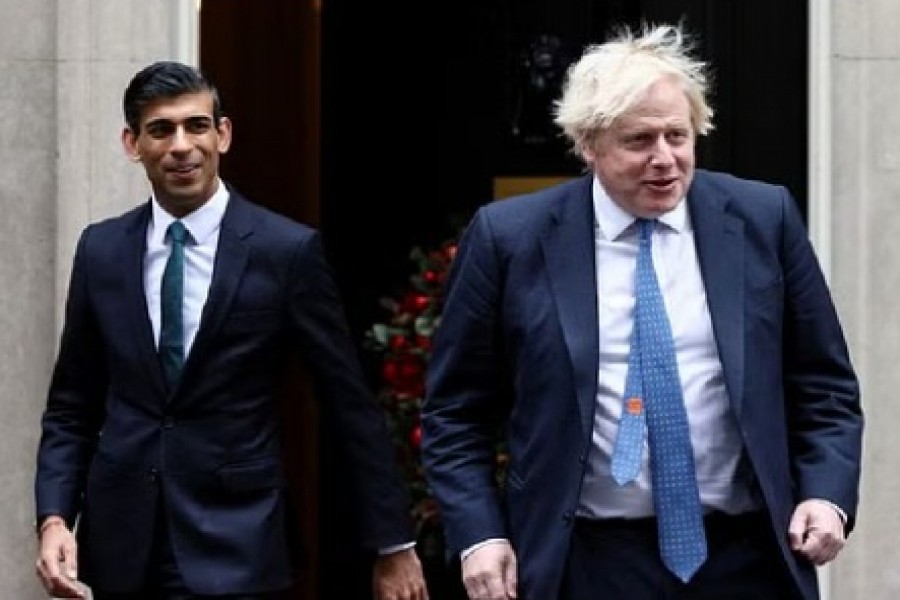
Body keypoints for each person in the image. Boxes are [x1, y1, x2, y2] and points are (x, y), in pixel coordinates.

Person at [421, 23, 862, 600]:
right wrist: (480, 535)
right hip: (588, 560)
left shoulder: (762, 219)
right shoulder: (511, 239)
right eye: (639, 141)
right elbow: (455, 411)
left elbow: (824, 385)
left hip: (747, 556)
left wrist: (825, 496)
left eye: (678, 136)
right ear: (588, 144)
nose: (664, 159)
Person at [34, 61, 428, 600]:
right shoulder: (101, 250)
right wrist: (55, 517)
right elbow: (72, 406)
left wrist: (392, 544)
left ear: (223, 134)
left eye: (196, 125)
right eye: (160, 129)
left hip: (238, 543)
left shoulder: (284, 251)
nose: (180, 145)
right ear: (132, 144)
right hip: (122, 546)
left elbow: (346, 403)